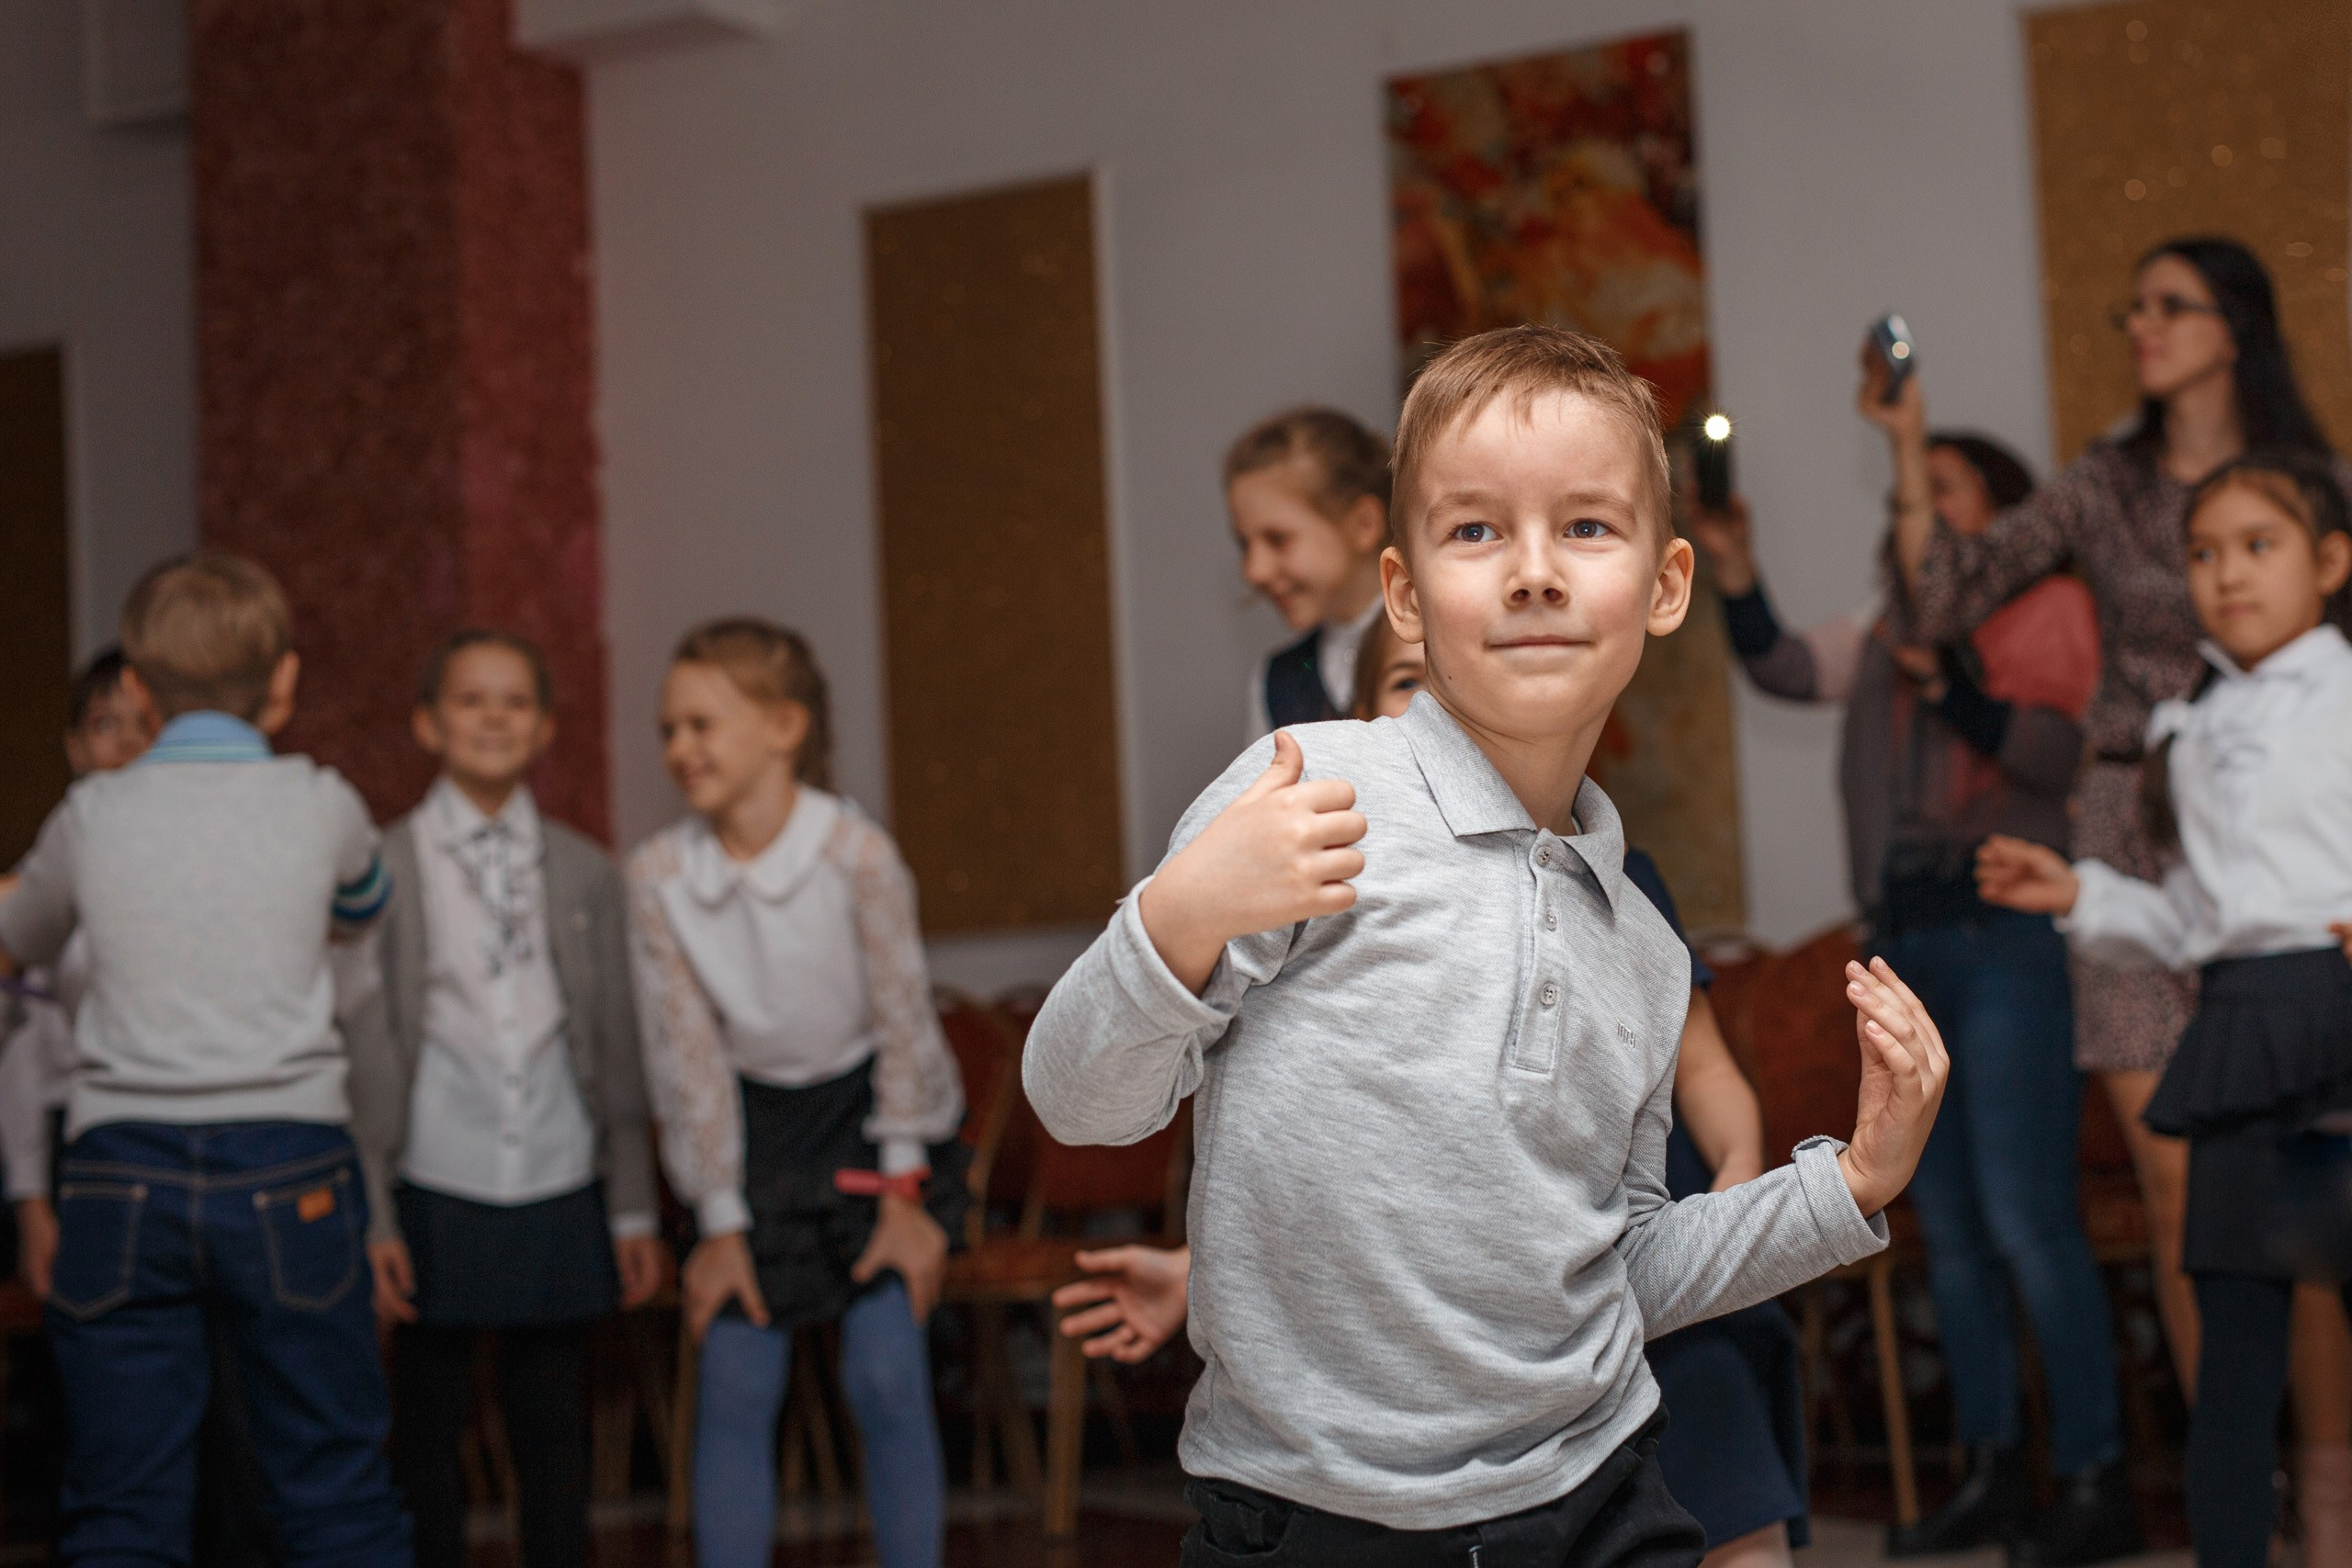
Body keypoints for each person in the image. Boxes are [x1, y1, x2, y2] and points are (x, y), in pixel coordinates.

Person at [1025, 324, 1950, 1567]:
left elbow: (1620, 1266)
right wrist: (1179, 915)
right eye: (1475, 531)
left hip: (1597, 1495)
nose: (1531, 572)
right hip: (1319, 1521)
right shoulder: (1308, 796)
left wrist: (1850, 1184)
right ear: (1404, 591)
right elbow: (1079, 1099)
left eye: (1584, 526)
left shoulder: (1641, 942)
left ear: (1667, 584)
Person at [1061, 627, 1812, 1568]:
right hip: (1436, 1402)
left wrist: (1740, 1190)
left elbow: (1698, 1073)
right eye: (1413, 683)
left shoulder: (1621, 895)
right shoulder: (1334, 870)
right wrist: (1197, 1269)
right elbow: (1369, 1154)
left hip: (1622, 1274)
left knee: (1725, 1476)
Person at [1883, 244, 2352, 1519]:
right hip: (2133, 822)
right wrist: (1909, 449)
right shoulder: (2100, 482)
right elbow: (1939, 603)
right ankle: (2233, 1487)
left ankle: (2327, 1495)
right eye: (2129, 303)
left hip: (2296, 848)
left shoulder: (2319, 484)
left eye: (2167, 305)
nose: (2139, 324)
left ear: (2233, 326)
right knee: (2179, 1183)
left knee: (2311, 1198)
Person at [1691, 437, 2130, 1561]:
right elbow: (1787, 667)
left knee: (2029, 1217)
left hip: (2003, 934)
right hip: (1909, 942)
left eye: (1940, 492)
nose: (1914, 511)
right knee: (1953, 1226)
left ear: (2001, 520)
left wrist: (1959, 686)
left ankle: (2092, 1479)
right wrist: (1734, 573)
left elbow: (2049, 755)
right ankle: (1988, 1470)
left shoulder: (2051, 609)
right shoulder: (1890, 623)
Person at [1977, 448, 2352, 1568]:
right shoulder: (2182, 731)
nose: (2226, 575)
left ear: (2329, 561)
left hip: (2337, 1015)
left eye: (2257, 547)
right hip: (2236, 1028)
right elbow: (2197, 920)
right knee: (2236, 1346)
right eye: (2202, 553)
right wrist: (2081, 892)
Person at [0, 553, 409, 1567]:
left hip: (120, 1166)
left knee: (123, 1505)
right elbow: (364, 908)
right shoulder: (322, 800)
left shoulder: (91, 816)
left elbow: (21, 942)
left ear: (137, 689)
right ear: (284, 684)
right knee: (335, 1490)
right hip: (293, 1158)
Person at [626, 618, 967, 1568]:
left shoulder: (855, 854)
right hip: (750, 1135)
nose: (678, 749)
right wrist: (720, 1216)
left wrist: (904, 1190)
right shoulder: (658, 878)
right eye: (668, 731)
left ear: (783, 725)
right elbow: (685, 1056)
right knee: (735, 1382)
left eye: (701, 724)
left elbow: (904, 1019)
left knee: (885, 1376)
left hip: (874, 1125)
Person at [343, 630, 663, 1568]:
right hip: (435, 1166)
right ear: (427, 722)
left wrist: (633, 1200)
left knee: (551, 1422)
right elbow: (366, 1044)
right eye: (470, 700)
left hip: (558, 1165)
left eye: (514, 701)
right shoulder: (382, 863)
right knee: (431, 1422)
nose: (492, 718)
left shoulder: (585, 869)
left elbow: (615, 1035)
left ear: (545, 727)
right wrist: (373, 1209)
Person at [1227, 406, 1395, 735]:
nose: (1254, 572)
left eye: (1278, 539)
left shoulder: (1439, 645)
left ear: (1363, 524)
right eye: (1245, 545)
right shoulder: (1279, 681)